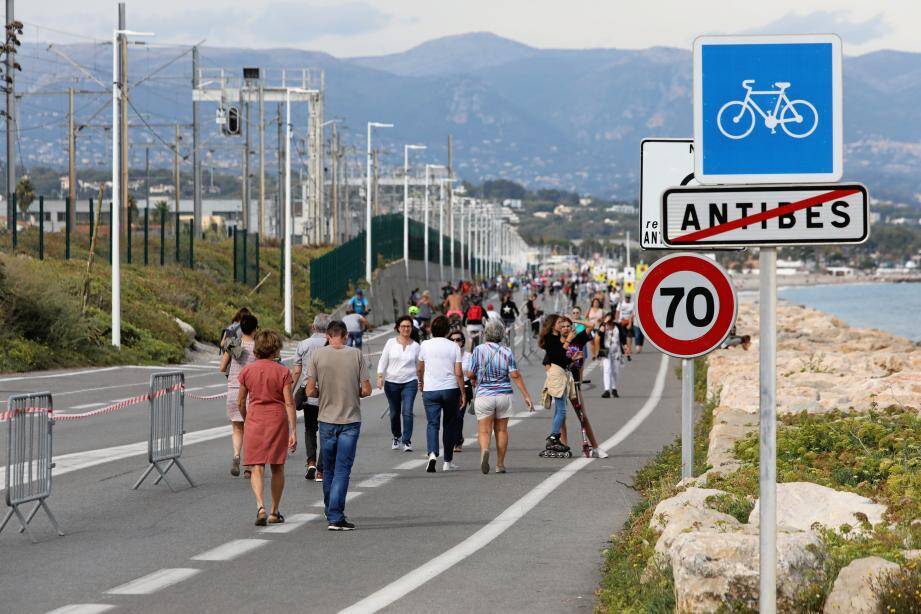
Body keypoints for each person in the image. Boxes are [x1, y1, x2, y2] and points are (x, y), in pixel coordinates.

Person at [306, 320, 371, 531]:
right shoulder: (356, 355)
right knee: (343, 469)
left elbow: (309, 391)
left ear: (327, 335)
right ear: (345, 336)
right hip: (350, 420)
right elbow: (367, 390)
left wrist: (321, 392)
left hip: (326, 420)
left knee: (329, 469)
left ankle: (330, 509)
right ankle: (335, 515)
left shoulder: (317, 355)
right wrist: (354, 392)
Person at [237, 330, 297, 526]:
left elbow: (240, 402)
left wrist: (247, 418)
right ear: (275, 349)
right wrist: (293, 430)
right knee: (277, 466)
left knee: (256, 466)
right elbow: (289, 402)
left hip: (255, 417)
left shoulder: (247, 371)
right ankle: (274, 511)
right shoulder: (282, 371)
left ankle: (260, 506)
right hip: (276, 419)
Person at [467, 320, 533, 474]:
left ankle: (485, 450)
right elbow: (515, 375)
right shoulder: (507, 351)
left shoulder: (478, 350)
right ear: (502, 334)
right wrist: (527, 396)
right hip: (504, 395)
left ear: (485, 334)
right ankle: (500, 464)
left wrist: (474, 375)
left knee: (484, 431)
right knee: (501, 430)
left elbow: (470, 373)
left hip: (484, 395)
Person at [418, 315, 466, 473]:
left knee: (432, 423)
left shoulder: (424, 345)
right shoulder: (454, 346)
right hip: (450, 389)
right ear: (447, 330)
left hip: (430, 389)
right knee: (449, 424)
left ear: (432, 329)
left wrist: (421, 381)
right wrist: (463, 392)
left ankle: (432, 454)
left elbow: (420, 368)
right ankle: (447, 461)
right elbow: (458, 372)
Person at [291, 314, 330, 482]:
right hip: (329, 394)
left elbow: (297, 371)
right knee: (327, 431)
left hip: (308, 393)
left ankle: (311, 462)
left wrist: (289, 391)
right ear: (329, 329)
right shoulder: (332, 345)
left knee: (310, 429)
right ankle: (321, 470)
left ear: (313, 327)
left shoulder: (303, 344)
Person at [220, 313, 258, 478]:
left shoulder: (233, 344)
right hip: (252, 392)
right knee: (251, 428)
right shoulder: (258, 348)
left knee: (237, 427)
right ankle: (249, 467)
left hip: (234, 390)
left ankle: (236, 455)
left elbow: (222, 367)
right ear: (255, 329)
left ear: (240, 329)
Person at [377, 316, 420, 452]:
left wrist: (422, 381)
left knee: (407, 412)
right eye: (403, 326)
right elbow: (383, 360)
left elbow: (419, 366)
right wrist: (380, 376)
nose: (406, 329)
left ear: (412, 328)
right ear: (398, 328)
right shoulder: (390, 343)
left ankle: (407, 441)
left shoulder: (416, 346)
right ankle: (397, 436)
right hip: (391, 383)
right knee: (395, 413)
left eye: (408, 326)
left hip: (410, 382)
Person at [539, 314, 579, 451]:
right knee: (562, 410)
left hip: (561, 372)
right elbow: (557, 357)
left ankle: (555, 437)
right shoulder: (550, 338)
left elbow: (563, 359)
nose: (562, 325)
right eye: (559, 322)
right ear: (553, 324)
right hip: (556, 374)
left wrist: (573, 358)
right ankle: (553, 438)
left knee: (559, 410)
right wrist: (568, 341)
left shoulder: (555, 338)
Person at [450, 330, 473, 454]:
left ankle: (458, 441)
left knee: (459, 415)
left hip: (464, 387)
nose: (455, 342)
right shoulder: (447, 356)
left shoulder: (468, 356)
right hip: (450, 387)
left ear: (462, 342)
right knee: (452, 416)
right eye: (452, 340)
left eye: (458, 340)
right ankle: (456, 438)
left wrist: (461, 372)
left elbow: (471, 373)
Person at [593, 312, 623, 398]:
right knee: (607, 369)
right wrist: (604, 322)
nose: (609, 321)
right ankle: (607, 390)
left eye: (610, 319)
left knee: (615, 371)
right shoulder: (603, 327)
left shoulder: (618, 326)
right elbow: (598, 334)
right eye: (607, 319)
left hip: (616, 351)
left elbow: (623, 337)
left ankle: (614, 389)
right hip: (606, 351)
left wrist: (625, 345)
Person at [617, 294, 636, 360]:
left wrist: (630, 323)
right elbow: (618, 311)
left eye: (628, 298)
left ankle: (629, 349)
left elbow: (633, 314)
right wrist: (617, 320)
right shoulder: (621, 303)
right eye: (626, 298)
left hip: (629, 321)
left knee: (629, 335)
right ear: (625, 298)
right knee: (621, 336)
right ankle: (622, 349)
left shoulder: (632, 304)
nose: (627, 299)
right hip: (621, 321)